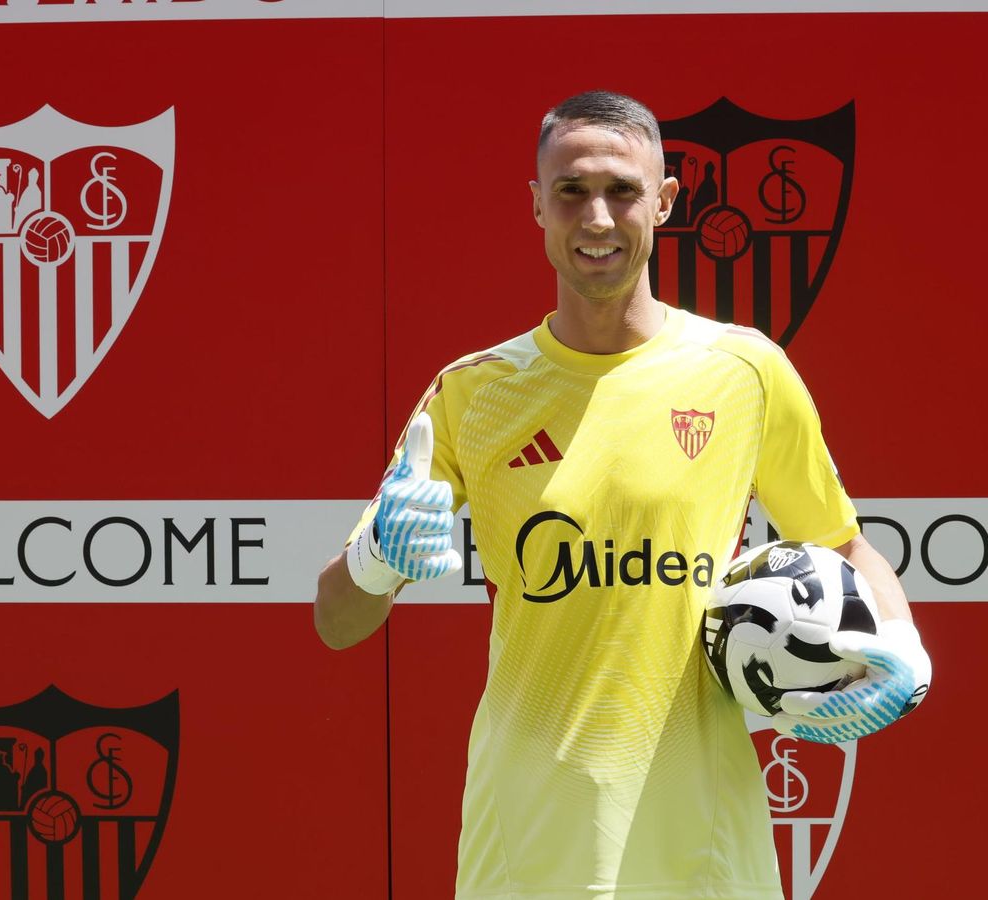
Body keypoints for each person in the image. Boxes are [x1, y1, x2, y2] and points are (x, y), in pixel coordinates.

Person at [313, 90, 932, 899]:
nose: (597, 218)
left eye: (623, 191)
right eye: (571, 191)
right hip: (528, 852)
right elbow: (335, 623)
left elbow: (846, 545)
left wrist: (906, 649)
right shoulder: (472, 395)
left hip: (704, 852)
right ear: (537, 206)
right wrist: (372, 561)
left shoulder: (745, 372)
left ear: (667, 202)